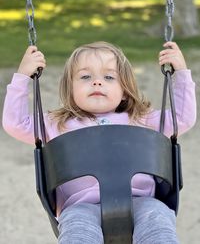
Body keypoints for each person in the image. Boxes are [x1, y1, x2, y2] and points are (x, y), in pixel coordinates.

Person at [2, 41, 196, 244]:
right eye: (85, 76)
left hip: (141, 201)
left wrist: (181, 72)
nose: (97, 82)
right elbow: (14, 123)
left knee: (157, 219)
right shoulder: (55, 124)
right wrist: (23, 76)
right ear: (70, 88)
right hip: (80, 206)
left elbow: (182, 118)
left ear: (124, 89)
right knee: (77, 232)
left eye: (109, 77)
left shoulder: (141, 119)